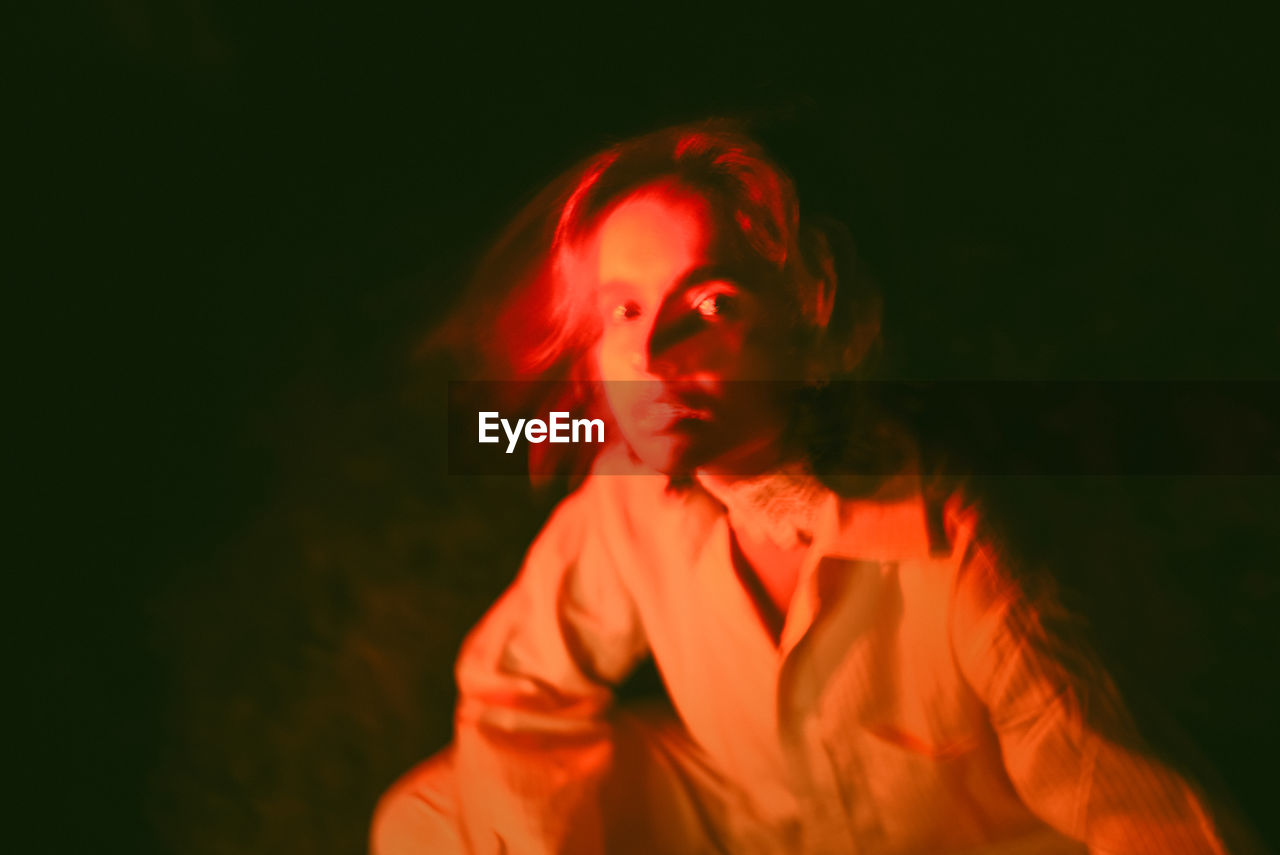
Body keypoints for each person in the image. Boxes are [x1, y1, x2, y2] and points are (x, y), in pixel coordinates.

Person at [371, 123, 1234, 854]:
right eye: (624, 312)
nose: (652, 357)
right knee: (429, 815)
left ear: (805, 312)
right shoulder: (628, 484)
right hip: (757, 820)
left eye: (710, 306)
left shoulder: (958, 541)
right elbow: (515, 683)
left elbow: (1147, 812)